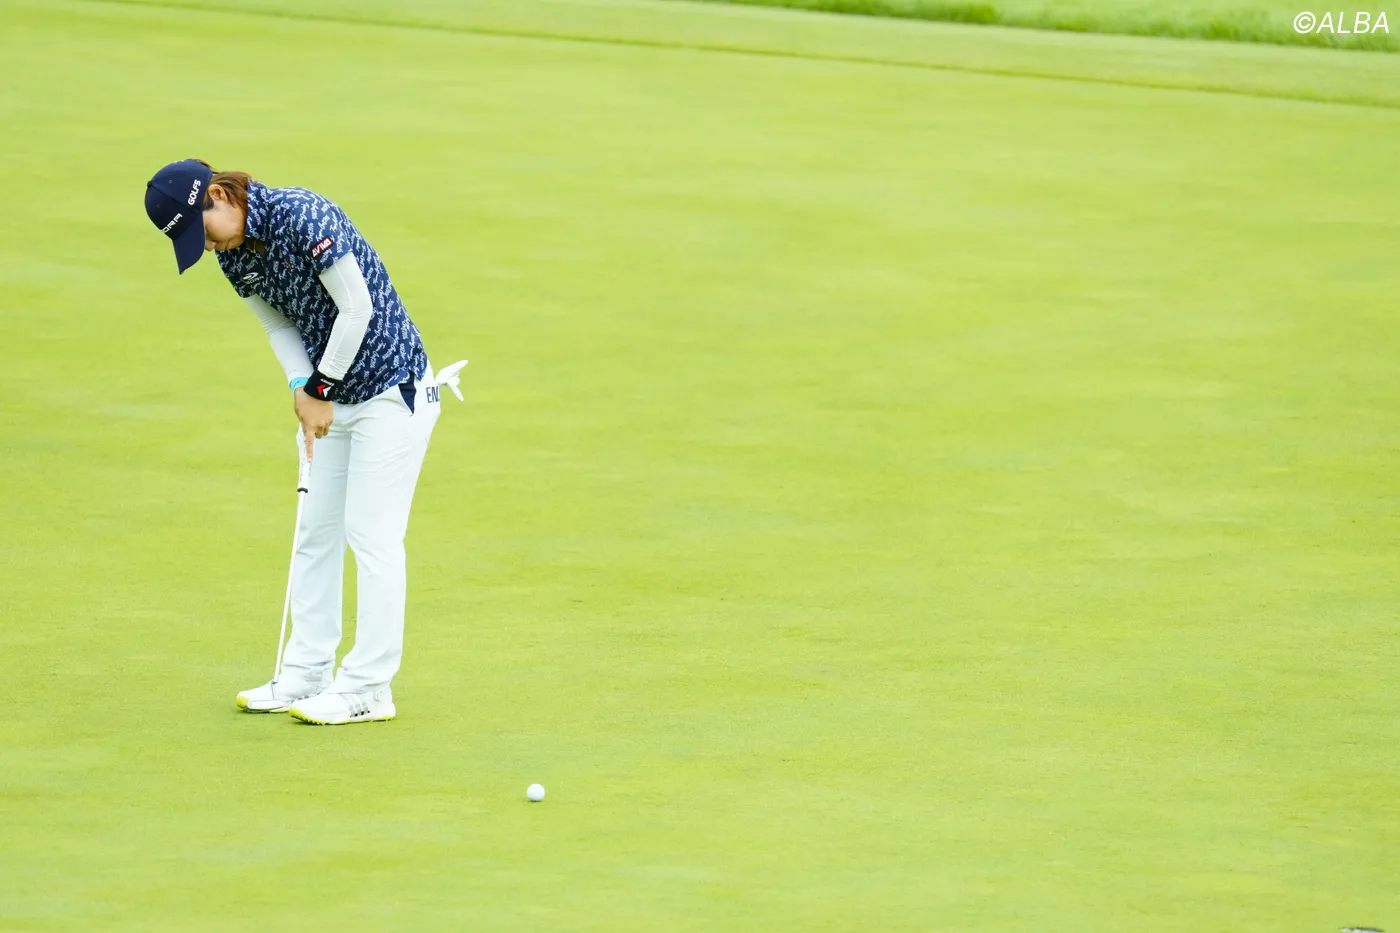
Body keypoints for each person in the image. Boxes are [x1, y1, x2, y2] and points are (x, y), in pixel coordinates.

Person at [143, 159, 464, 725]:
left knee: (372, 537)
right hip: (332, 398)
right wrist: (302, 386)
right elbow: (278, 325)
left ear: (220, 195)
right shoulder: (235, 255)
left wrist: (319, 387)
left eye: (203, 231)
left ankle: (369, 688)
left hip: (394, 393)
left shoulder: (302, 214)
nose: (208, 248)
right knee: (316, 532)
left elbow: (357, 307)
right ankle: (307, 672)